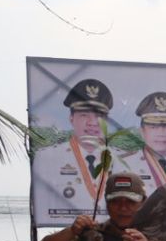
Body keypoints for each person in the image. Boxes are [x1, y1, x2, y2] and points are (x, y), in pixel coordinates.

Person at [33, 78, 129, 210]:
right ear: (71, 118)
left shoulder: (125, 159)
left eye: (99, 116)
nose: (92, 122)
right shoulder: (47, 157)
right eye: (84, 115)